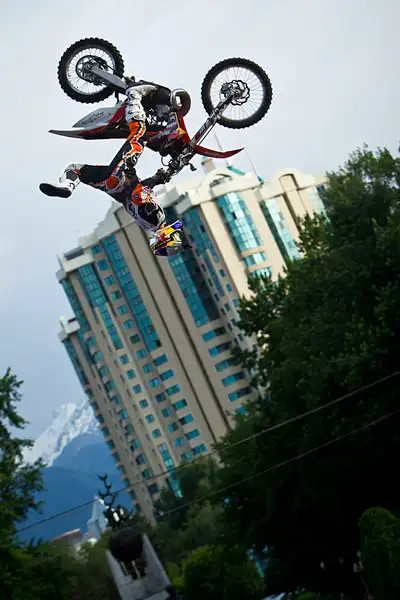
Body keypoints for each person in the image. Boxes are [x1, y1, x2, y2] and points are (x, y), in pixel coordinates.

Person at [39, 83, 183, 255]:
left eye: (172, 236)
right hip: (109, 185)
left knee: (139, 133)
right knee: (76, 169)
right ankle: (67, 186)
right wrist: (157, 180)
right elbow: (137, 197)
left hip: (121, 176)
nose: (174, 233)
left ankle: (134, 96)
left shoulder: (155, 218)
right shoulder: (146, 225)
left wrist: (157, 179)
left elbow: (139, 194)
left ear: (165, 238)